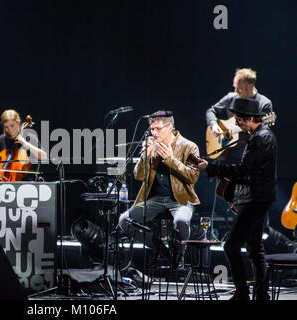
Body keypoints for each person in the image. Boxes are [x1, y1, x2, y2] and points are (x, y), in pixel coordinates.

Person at [198, 98, 277, 300]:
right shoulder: (259, 137)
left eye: (240, 120)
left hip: (255, 199)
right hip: (256, 198)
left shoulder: (261, 138)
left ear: (251, 118)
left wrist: (211, 168)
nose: (238, 123)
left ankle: (243, 293)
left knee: (231, 245)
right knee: (254, 247)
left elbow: (244, 171)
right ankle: (261, 295)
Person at [119, 110, 200, 269]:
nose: (154, 133)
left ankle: (178, 256)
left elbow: (192, 176)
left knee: (181, 221)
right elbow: (138, 175)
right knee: (124, 221)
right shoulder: (151, 146)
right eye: (152, 129)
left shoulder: (189, 146)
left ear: (170, 127)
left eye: (158, 129)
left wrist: (170, 159)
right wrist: (145, 156)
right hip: (154, 199)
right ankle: (161, 251)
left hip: (181, 199)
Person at [206, 68, 273, 163]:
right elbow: (211, 111)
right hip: (224, 155)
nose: (235, 91)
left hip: (247, 156)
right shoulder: (231, 97)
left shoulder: (264, 103)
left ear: (250, 86)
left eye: (239, 89)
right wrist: (214, 125)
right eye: (235, 87)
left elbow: (263, 133)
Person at [0, 109, 47, 180]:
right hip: (1, 180)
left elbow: (44, 156)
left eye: (12, 125)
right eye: (6, 127)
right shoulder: (0, 140)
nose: (10, 130)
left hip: (25, 183)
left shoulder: (29, 138)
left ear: (18, 123)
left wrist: (25, 143)